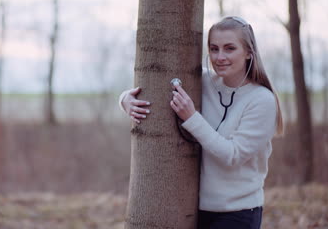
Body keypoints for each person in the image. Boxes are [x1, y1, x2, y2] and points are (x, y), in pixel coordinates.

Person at [118, 16, 284, 229]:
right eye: (214, 49)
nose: (220, 57)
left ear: (249, 52)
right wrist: (125, 100)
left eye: (229, 48)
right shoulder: (203, 82)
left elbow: (232, 155)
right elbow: (155, 85)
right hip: (197, 211)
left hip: (238, 213)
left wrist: (192, 117)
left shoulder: (262, 100)